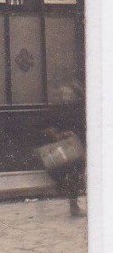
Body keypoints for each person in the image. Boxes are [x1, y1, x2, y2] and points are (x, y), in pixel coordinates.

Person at [42, 79, 86, 218]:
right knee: (71, 173)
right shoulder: (57, 110)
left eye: (69, 94)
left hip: (78, 144)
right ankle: (73, 204)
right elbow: (48, 127)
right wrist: (60, 135)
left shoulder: (80, 109)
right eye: (63, 94)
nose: (65, 97)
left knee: (77, 173)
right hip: (64, 146)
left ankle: (74, 203)